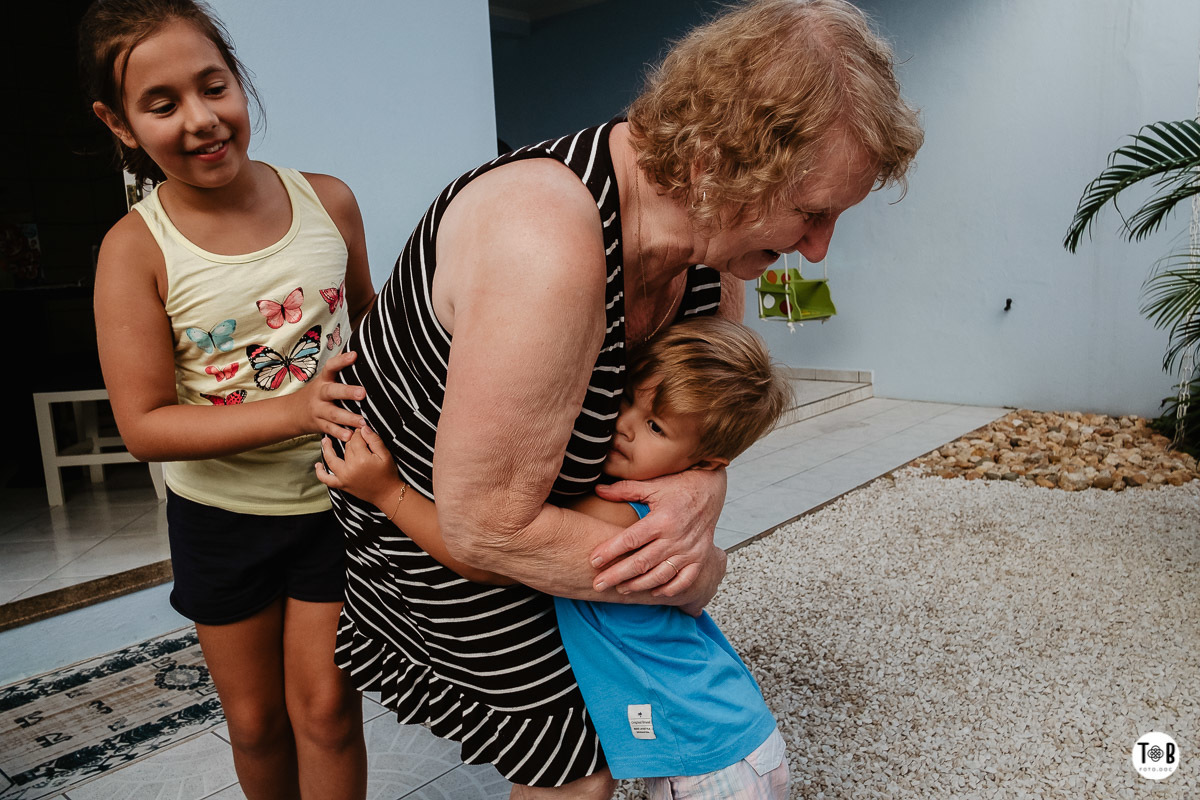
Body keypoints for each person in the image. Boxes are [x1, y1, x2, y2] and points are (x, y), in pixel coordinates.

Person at [327, 0, 922, 796]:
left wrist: (703, 489)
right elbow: (483, 528)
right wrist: (695, 573)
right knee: (584, 755)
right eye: (811, 214)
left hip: (543, 509)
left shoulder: (711, 252)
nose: (816, 250)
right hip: (420, 512)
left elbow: (707, 420)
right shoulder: (543, 237)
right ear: (717, 160)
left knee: (644, 694)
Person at [79, 1, 374, 797]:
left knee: (329, 712)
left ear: (238, 81)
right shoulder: (135, 249)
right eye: (163, 103)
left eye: (214, 87)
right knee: (255, 722)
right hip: (221, 521)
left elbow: (372, 330)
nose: (202, 119)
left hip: (337, 504)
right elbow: (143, 427)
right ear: (119, 123)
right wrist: (295, 411)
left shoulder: (329, 203)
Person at [318, 316, 793, 798]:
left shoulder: (624, 514)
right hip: (726, 734)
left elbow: (490, 552)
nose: (625, 425)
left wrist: (388, 491)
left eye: (655, 426)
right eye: (628, 399)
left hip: (708, 757)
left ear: (706, 464)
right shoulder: (648, 504)